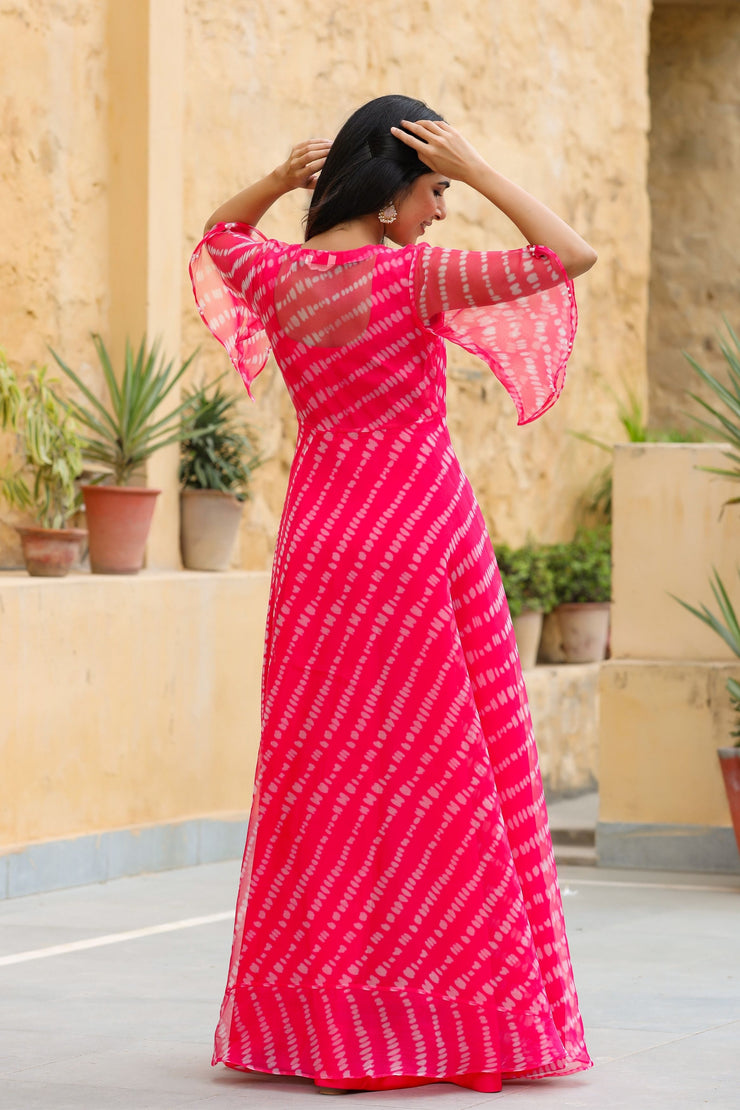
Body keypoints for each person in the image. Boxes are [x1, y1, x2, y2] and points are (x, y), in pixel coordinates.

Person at [190, 93, 597, 1097]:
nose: (441, 211)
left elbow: (217, 235)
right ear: (387, 191)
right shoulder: (413, 277)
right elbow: (568, 256)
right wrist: (486, 168)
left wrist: (279, 182)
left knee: (327, 778)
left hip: (323, 549)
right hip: (419, 540)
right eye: (434, 190)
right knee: (449, 772)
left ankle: (326, 1024)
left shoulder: (278, 275)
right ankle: (456, 1019)